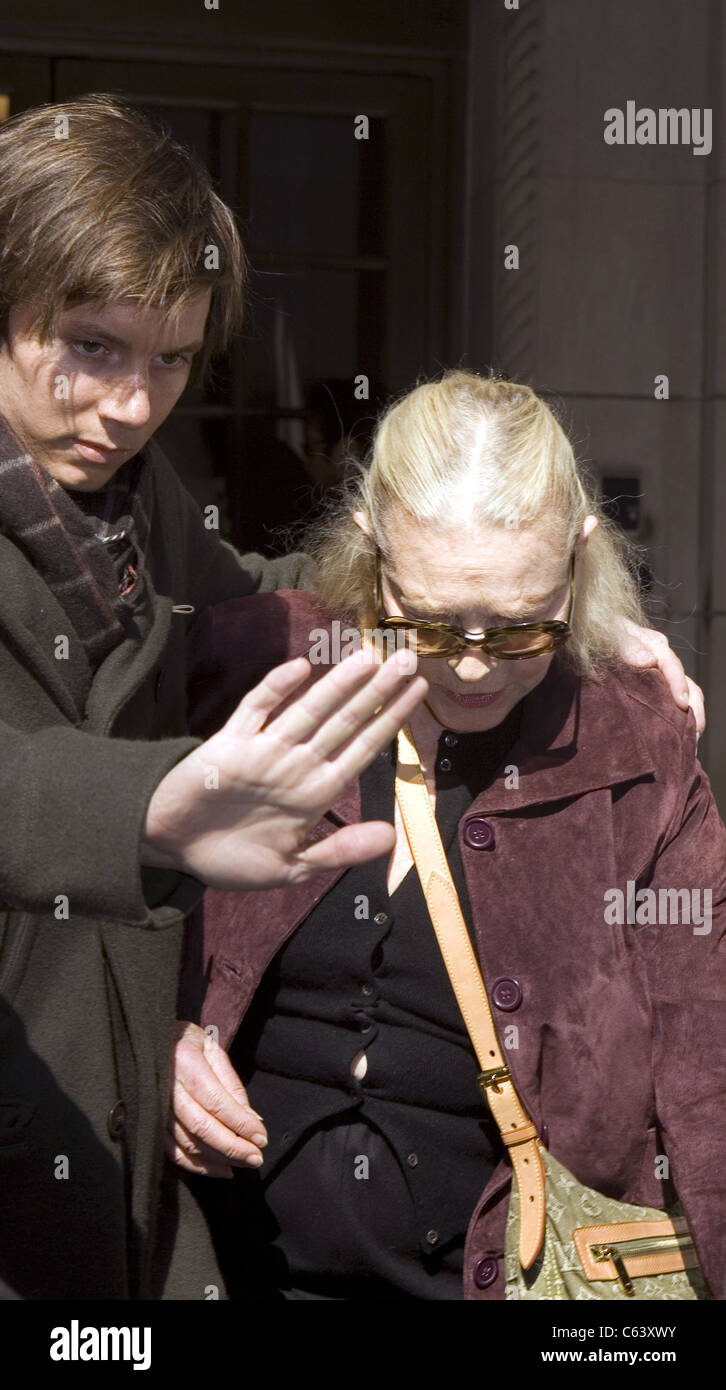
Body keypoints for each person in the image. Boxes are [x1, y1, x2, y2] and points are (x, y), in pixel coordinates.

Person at [169, 371, 726, 1302]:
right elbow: (83, 896)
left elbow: (706, 1059)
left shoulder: (637, 741)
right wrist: (158, 1040)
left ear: (578, 558)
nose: (471, 666)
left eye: (516, 629)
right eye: (428, 622)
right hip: (222, 1269)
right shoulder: (257, 666)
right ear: (371, 544)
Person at [0, 93, 428, 1301]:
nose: (134, 405)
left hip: (124, 1165)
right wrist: (151, 804)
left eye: (171, 358)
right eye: (92, 346)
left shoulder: (132, 496)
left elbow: (258, 602)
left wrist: (553, 622)